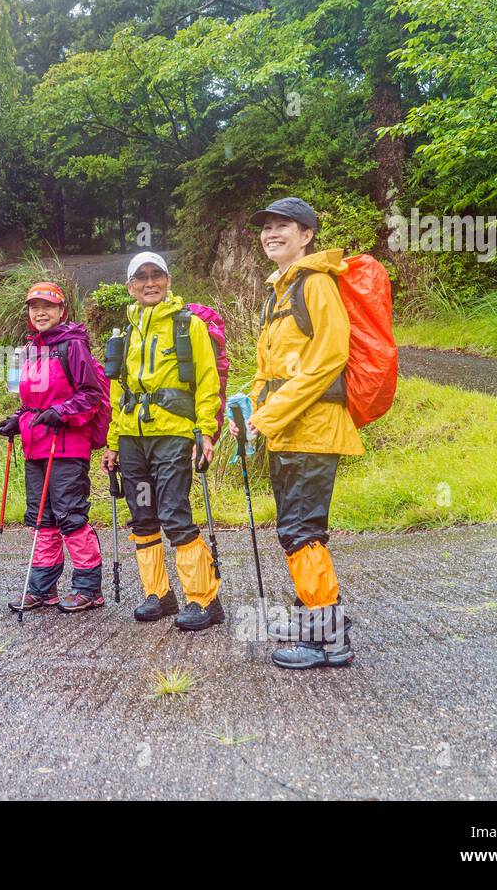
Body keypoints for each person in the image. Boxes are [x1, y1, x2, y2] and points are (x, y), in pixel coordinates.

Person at [229, 197, 361, 668]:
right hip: (287, 432)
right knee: (296, 530)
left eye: (283, 225)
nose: (271, 233)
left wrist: (268, 417)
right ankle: (313, 617)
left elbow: (328, 360)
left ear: (307, 235)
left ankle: (328, 640)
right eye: (266, 227)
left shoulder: (316, 284)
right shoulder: (278, 291)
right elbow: (270, 370)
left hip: (314, 432)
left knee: (302, 533)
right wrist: (249, 410)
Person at [101, 253, 224, 631]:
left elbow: (207, 382)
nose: (150, 282)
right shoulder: (125, 334)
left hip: (172, 436)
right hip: (133, 442)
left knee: (174, 512)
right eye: (141, 277)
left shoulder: (188, 326)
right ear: (130, 287)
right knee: (142, 514)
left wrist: (205, 431)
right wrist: (113, 441)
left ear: (168, 281)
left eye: (157, 275)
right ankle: (159, 594)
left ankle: (204, 599)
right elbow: (118, 393)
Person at [0, 282, 108, 613]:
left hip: (67, 445)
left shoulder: (73, 346)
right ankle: (42, 589)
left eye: (47, 306)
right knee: (42, 520)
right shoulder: (31, 349)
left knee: (70, 516)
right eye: (34, 307)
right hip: (36, 445)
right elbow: (32, 401)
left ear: (62, 311)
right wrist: (18, 420)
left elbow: (90, 395)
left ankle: (88, 588)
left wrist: (62, 412)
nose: (40, 312)